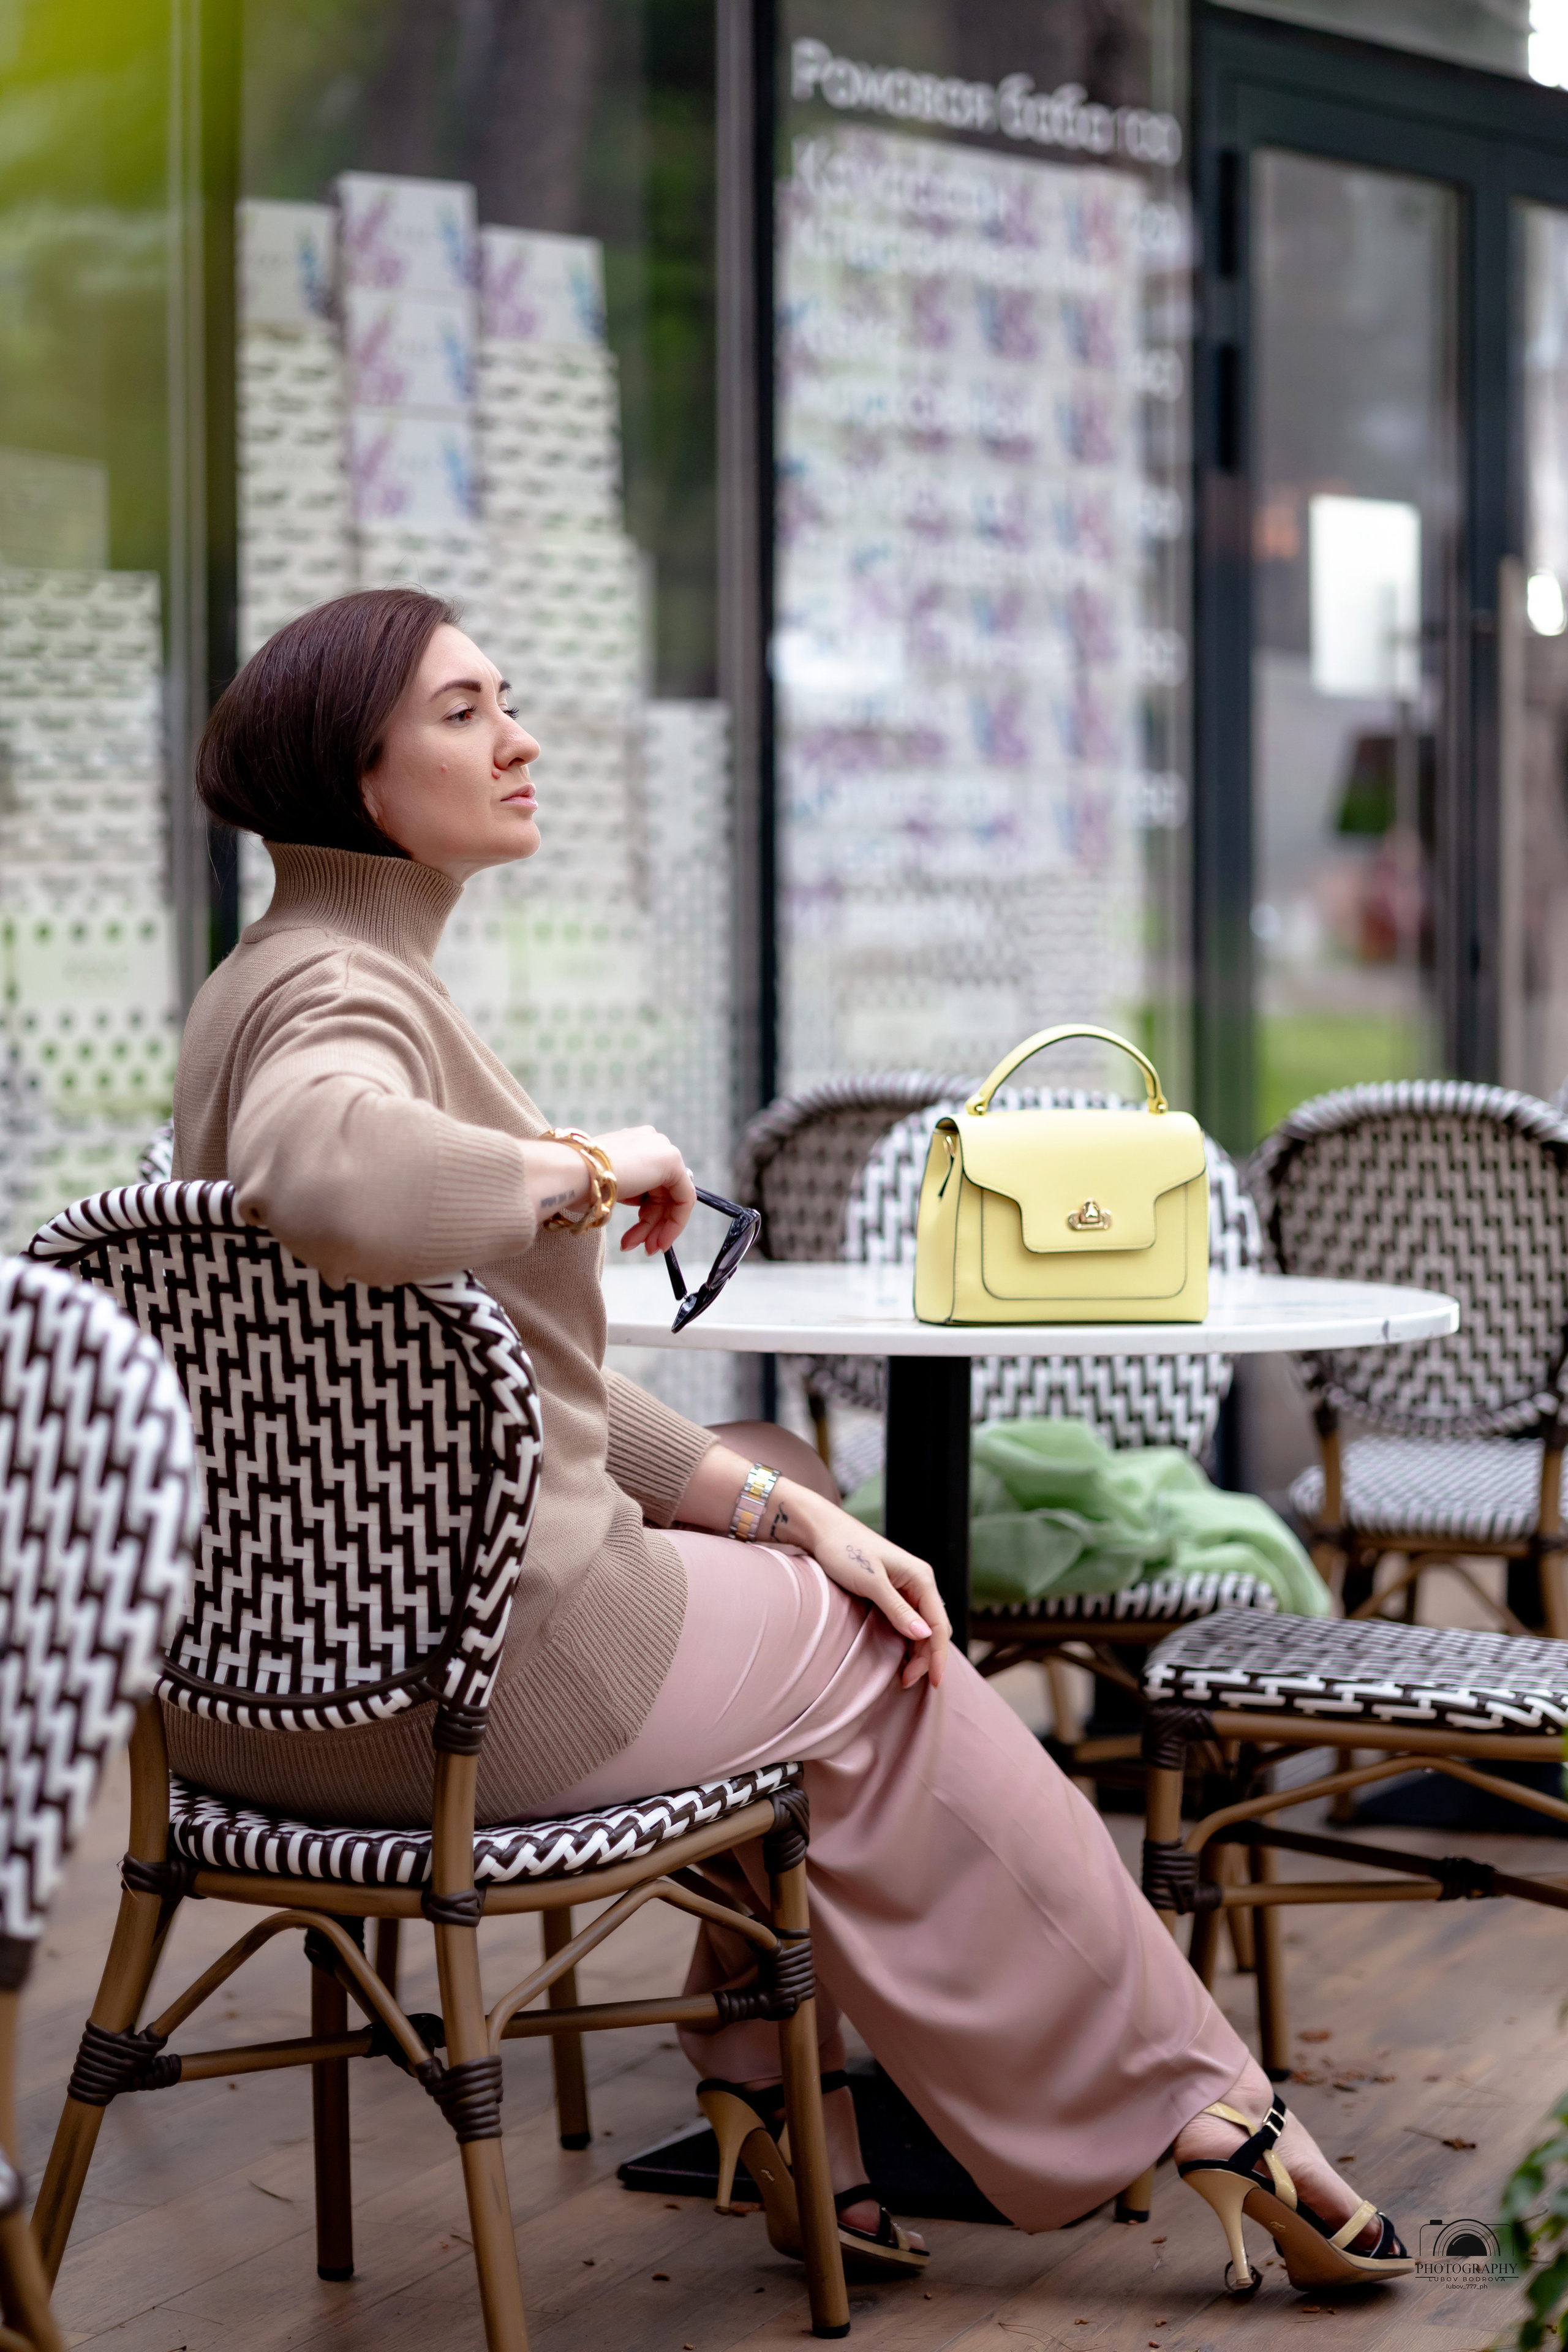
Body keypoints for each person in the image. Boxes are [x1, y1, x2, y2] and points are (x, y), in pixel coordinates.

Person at [171, 586, 1412, 2295]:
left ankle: (773, 2076)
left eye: (505, 701)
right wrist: (590, 1168)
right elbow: (324, 1173)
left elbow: (504, 1390)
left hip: (273, 1710)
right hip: (482, 1704)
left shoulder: (263, 980)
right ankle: (1202, 2102)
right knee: (889, 1642)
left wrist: (771, 1507)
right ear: (361, 775)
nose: (519, 740)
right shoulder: (341, 1003)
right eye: (466, 713)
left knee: (816, 1507)